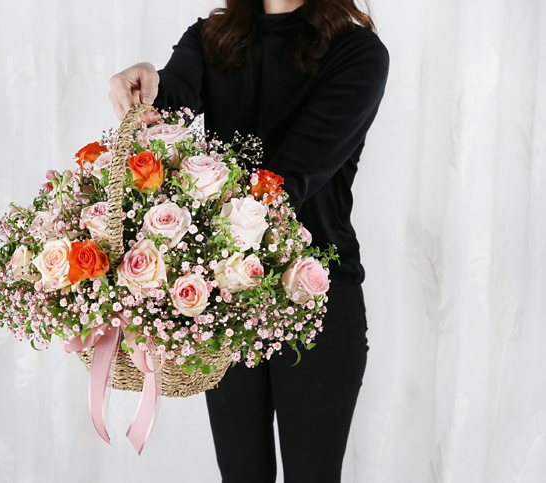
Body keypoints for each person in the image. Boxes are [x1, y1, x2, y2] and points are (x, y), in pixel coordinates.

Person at [108, 0, 389, 481]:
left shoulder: (357, 52)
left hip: (317, 298)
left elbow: (288, 179)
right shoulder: (211, 39)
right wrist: (145, 86)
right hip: (228, 302)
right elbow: (169, 105)